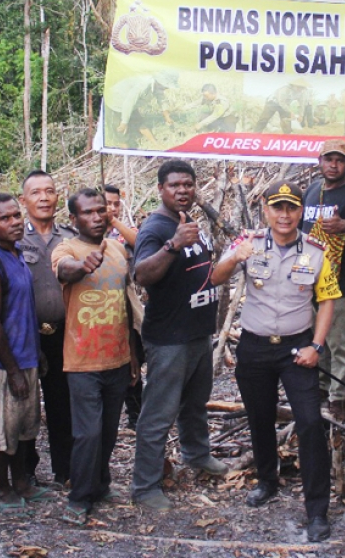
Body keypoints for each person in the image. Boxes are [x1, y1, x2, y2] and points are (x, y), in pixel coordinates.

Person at [211, 180, 342, 543]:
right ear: (266, 210)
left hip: (297, 349)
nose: (284, 215)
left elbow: (328, 299)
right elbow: (215, 277)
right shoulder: (248, 244)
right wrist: (233, 257)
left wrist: (317, 344)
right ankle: (267, 479)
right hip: (254, 347)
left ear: (301, 211)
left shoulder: (317, 249)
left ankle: (317, 509)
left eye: (292, 208)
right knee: (259, 417)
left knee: (311, 422)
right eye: (277, 207)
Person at [0, 167, 74, 487]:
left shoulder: (68, 235)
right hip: (22, 340)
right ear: (25, 199)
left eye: (49, 191)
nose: (44, 198)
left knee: (56, 408)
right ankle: (25, 475)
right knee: (15, 412)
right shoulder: (4, 240)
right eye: (35, 192)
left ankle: (65, 471)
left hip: (60, 336)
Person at [130, 159, 229, 511]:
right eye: (174, 185)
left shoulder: (191, 223)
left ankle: (197, 455)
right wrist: (172, 245)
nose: (183, 190)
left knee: (194, 405)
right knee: (158, 413)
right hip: (169, 338)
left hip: (198, 333)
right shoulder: (156, 228)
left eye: (188, 184)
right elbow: (141, 275)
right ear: (161, 189)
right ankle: (145, 486)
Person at [52, 188, 138, 524]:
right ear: (73, 219)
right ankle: (79, 497)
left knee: (109, 430)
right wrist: (83, 265)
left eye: (101, 210)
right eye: (87, 212)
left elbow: (126, 306)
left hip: (117, 356)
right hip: (82, 360)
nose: (96, 217)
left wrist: (132, 354)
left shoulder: (117, 249)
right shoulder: (66, 248)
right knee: (87, 432)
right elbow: (65, 271)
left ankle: (101, 484)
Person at [0, 193, 51, 511]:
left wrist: (36, 351)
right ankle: (3, 490)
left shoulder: (16, 252)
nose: (14, 223)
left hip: (26, 353)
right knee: (3, 429)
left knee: (24, 427)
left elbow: (23, 309)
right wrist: (14, 369)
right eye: (5, 218)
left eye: (16, 216)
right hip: (5, 361)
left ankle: (22, 482)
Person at [300, 139, 345, 422]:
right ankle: (321, 388)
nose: (333, 165)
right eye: (328, 159)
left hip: (338, 281)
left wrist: (344, 225)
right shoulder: (312, 191)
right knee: (318, 340)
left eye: (339, 160)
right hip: (308, 279)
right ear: (320, 161)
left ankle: (340, 400)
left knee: (340, 341)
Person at [104, 183, 145, 429]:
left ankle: (135, 416)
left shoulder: (124, 232)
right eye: (106, 203)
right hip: (98, 308)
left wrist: (116, 222)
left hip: (127, 304)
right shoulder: (87, 230)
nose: (111, 208)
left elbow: (140, 242)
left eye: (115, 203)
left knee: (134, 358)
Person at [106, 72, 178, 148]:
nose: (167, 88)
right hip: (116, 103)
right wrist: (124, 122)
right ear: (161, 82)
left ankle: (156, 144)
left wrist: (167, 116)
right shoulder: (143, 85)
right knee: (121, 131)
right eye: (167, 86)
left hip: (131, 105)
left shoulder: (157, 86)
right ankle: (126, 154)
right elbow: (128, 102)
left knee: (140, 123)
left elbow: (161, 99)